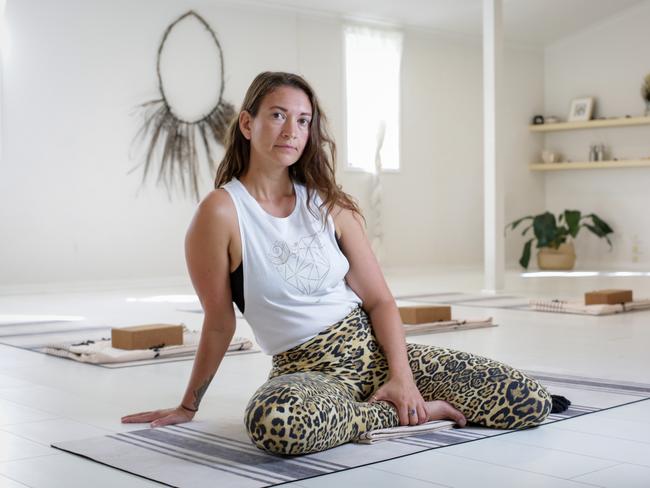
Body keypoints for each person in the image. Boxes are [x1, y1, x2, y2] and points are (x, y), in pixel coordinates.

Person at [122, 71, 553, 455]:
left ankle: (398, 403)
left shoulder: (328, 204)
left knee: (528, 401)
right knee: (275, 424)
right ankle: (414, 415)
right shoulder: (220, 213)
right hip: (307, 371)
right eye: (277, 115)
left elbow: (380, 300)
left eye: (303, 120)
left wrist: (401, 376)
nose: (291, 130)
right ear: (248, 123)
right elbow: (219, 322)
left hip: (376, 352)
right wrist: (188, 405)